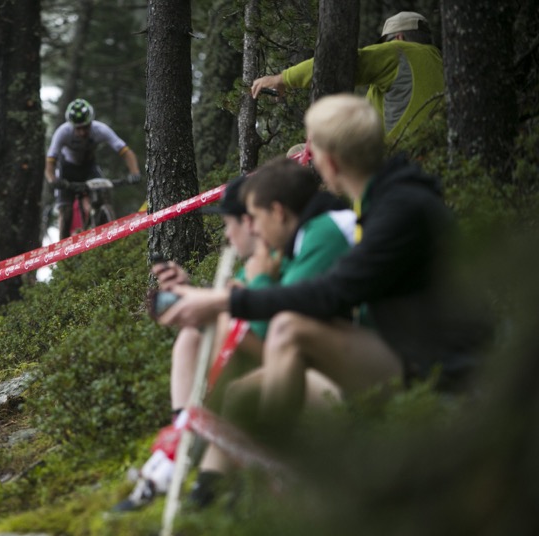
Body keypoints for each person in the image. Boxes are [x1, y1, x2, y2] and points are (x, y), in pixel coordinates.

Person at [160, 95, 491, 461]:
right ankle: (215, 475)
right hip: (411, 349)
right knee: (248, 384)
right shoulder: (385, 198)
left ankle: (273, 464)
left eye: (313, 151)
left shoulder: (396, 210)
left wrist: (226, 301)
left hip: (442, 366)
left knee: (289, 329)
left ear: (330, 161)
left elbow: (330, 293)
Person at [115, 157, 358, 510]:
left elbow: (268, 323)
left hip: (333, 374)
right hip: (307, 362)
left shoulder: (306, 241)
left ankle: (186, 457)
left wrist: (230, 296)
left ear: (258, 218)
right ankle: (191, 462)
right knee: (195, 338)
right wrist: (194, 297)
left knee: (221, 340)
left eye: (235, 223)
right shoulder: (284, 247)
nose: (230, 234)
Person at [251, 11, 443, 140]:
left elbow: (339, 63)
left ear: (399, 38)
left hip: (393, 161)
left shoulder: (399, 52)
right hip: (434, 158)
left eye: (386, 42)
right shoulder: (442, 63)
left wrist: (282, 78)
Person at [45, 98, 142, 239]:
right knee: (66, 212)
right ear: (71, 125)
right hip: (67, 170)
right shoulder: (63, 132)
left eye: (85, 127)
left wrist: (135, 172)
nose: (82, 132)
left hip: (89, 168)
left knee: (103, 195)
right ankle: (63, 246)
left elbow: (126, 151)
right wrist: (52, 179)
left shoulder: (100, 129)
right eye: (78, 128)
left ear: (91, 122)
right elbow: (50, 160)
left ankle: (101, 223)